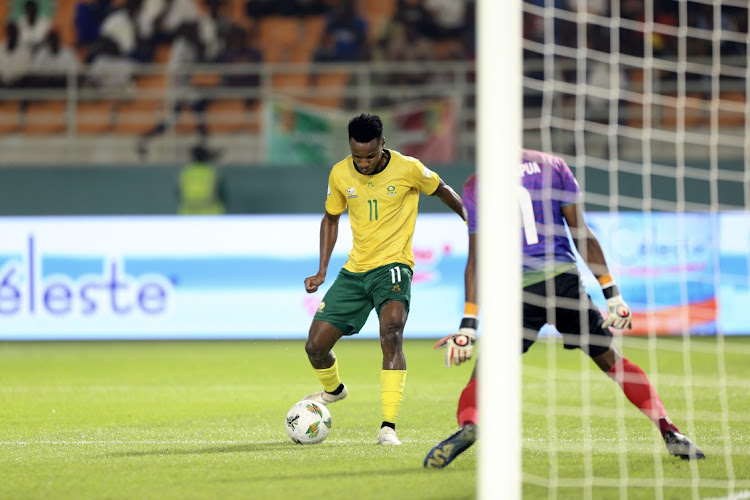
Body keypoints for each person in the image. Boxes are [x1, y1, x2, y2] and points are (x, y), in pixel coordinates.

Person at [423, 149, 705, 468]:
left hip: (516, 293)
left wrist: (468, 325)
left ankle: (470, 426)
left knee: (483, 375)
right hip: (564, 284)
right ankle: (669, 432)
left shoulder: (477, 184)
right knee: (613, 361)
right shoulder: (551, 165)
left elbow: (476, 260)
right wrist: (612, 293)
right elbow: (580, 232)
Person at [302, 113, 467, 446]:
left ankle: (388, 426)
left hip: (394, 266)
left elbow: (442, 190)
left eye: (370, 156)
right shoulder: (339, 173)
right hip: (355, 271)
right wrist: (322, 270)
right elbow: (331, 219)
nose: (362, 163)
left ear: (383, 145)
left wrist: (470, 220)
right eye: (357, 156)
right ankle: (334, 391)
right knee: (315, 347)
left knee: (392, 331)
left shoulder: (409, 168)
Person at [177, 143, 225, 214]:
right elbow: (222, 195)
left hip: (188, 214)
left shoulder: (184, 173)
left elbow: (178, 194)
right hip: (211, 214)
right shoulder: (212, 173)